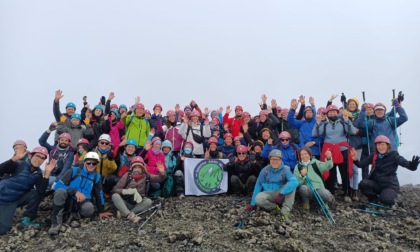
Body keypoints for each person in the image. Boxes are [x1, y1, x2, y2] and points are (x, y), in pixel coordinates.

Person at [48, 152, 112, 235]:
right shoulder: (74, 171)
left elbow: (99, 193)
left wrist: (101, 211)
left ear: (97, 164)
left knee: (89, 208)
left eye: (94, 163)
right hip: (68, 199)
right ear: (84, 162)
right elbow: (58, 185)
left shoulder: (96, 176)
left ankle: (74, 215)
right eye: (89, 162)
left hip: (82, 202)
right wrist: (74, 192)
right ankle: (56, 223)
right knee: (60, 192)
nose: (91, 165)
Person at [0, 147, 56, 235]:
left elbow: (40, 192)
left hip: (13, 202)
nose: (39, 160)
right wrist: (13, 159)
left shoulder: (37, 174)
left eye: (42, 158)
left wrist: (47, 174)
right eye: (37, 156)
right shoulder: (19, 164)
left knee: (2, 230)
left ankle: (26, 219)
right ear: (30, 156)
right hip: (2, 195)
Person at [351, 135, 419, 207]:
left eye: (383, 144)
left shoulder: (394, 155)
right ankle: (373, 199)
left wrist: (412, 166)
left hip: (390, 186)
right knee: (363, 183)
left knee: (386, 199)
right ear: (376, 146)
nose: (380, 147)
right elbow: (361, 164)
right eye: (378, 145)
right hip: (376, 184)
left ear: (388, 145)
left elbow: (404, 163)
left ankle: (396, 201)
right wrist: (355, 159)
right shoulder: (374, 156)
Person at [313, 105, 356, 199]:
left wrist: (347, 120)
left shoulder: (342, 122)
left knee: (344, 172)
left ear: (337, 113)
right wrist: (318, 123)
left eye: (334, 111)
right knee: (330, 171)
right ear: (327, 114)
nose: (332, 113)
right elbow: (315, 134)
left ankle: (347, 192)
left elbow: (352, 131)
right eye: (330, 112)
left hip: (343, 149)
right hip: (329, 150)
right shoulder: (324, 125)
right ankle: (330, 192)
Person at [247, 149, 299, 224]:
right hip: (268, 194)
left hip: (281, 194)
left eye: (278, 159)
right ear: (270, 159)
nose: (275, 161)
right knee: (258, 199)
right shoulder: (265, 170)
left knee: (292, 186)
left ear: (281, 160)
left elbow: (295, 182)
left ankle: (285, 211)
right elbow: (258, 186)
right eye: (273, 159)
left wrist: (281, 193)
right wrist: (253, 203)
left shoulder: (285, 170)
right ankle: (274, 207)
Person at [112, 156, 166, 222]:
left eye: (139, 167)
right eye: (135, 167)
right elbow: (115, 189)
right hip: (126, 202)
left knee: (148, 201)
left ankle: (126, 213)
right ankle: (129, 214)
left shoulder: (146, 175)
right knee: (115, 196)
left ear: (143, 169)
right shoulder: (126, 176)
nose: (137, 169)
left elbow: (159, 179)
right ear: (132, 168)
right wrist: (126, 191)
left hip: (137, 203)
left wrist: (162, 173)